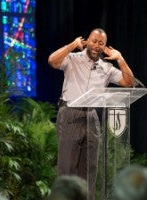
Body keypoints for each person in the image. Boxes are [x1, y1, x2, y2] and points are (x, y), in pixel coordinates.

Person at [48, 28, 135, 200]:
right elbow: (52, 60)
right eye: (94, 41)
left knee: (89, 170)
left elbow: (128, 82)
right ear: (87, 41)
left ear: (104, 47)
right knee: (67, 169)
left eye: (101, 43)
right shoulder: (73, 59)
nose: (96, 46)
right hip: (70, 114)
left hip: (92, 117)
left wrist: (120, 59)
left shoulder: (106, 68)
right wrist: (73, 45)